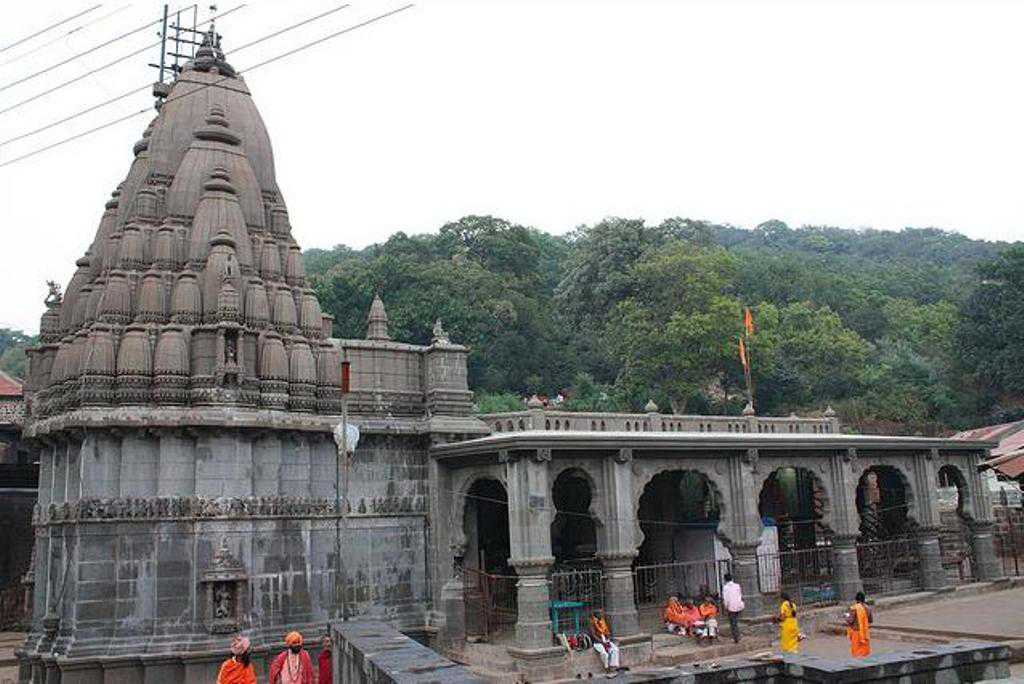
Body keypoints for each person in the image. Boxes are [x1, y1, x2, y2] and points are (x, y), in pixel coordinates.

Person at [589, 609, 620, 677]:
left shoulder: (602, 621)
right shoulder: (592, 622)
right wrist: (602, 642)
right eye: (600, 614)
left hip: (606, 640)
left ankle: (613, 666)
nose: (601, 615)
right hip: (598, 642)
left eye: (601, 613)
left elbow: (606, 631)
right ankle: (607, 668)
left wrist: (608, 639)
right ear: (596, 615)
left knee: (615, 649)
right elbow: (593, 635)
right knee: (604, 654)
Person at [847, 591, 872, 658]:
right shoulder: (868, 608)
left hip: (856, 633)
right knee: (865, 653)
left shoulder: (854, 608)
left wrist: (846, 616)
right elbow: (870, 620)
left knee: (857, 653)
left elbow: (850, 621)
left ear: (856, 599)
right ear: (864, 599)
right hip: (865, 633)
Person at [721, 573, 745, 644]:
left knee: (733, 623)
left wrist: (726, 607)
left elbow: (726, 599)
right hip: (739, 605)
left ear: (725, 579)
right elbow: (740, 595)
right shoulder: (737, 586)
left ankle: (736, 637)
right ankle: (737, 635)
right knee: (736, 621)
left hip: (731, 606)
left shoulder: (725, 587)